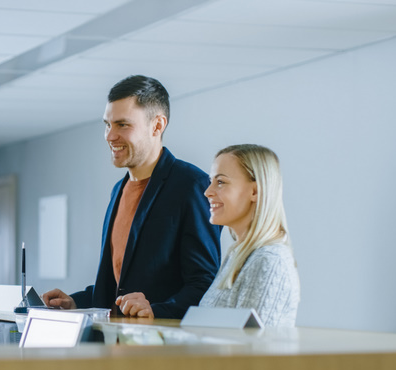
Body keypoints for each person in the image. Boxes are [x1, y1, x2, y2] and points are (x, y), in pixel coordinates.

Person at [42, 75, 221, 319]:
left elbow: (204, 284)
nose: (109, 135)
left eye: (122, 125)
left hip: (160, 348)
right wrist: (75, 301)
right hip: (113, 345)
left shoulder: (191, 185)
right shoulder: (118, 190)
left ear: (157, 126)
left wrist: (155, 311)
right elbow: (119, 284)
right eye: (107, 124)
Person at [200, 144, 300, 326]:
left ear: (255, 191)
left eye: (220, 182)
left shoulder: (269, 261)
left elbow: (252, 350)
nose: (208, 192)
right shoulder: (237, 256)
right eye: (211, 181)